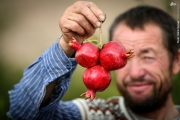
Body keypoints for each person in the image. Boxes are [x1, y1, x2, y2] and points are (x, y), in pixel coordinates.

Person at [7, 1, 180, 120]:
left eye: (148, 57)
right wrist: (66, 46)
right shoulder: (94, 115)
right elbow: (23, 112)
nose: (135, 73)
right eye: (127, 57)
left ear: (176, 61)